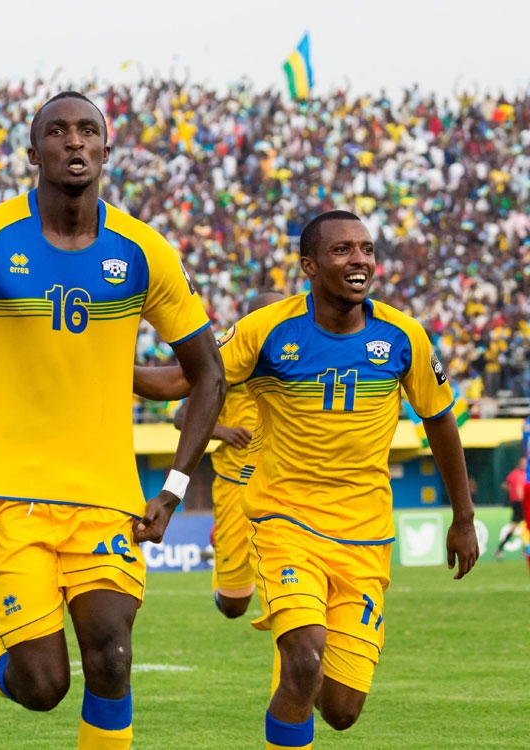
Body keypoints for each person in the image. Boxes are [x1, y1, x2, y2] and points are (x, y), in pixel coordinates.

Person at [0, 91, 225, 750]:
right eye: (59, 131)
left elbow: (206, 374)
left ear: (106, 147)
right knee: (44, 686)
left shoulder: (143, 251)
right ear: (34, 150)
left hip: (106, 498)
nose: (75, 142)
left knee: (112, 660)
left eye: (88, 131)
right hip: (4, 496)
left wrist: (176, 488)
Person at [133, 209, 479, 749]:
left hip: (366, 538)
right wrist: (108, 367)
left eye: (366, 249)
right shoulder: (267, 330)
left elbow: (440, 421)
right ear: (309, 266)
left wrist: (463, 518)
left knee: (341, 709)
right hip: (285, 522)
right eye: (342, 250)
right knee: (302, 657)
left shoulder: (404, 335)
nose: (358, 259)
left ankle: (302, 683)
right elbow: (188, 380)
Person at [172, 291, 283, 619]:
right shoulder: (226, 357)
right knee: (234, 607)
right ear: (249, 321)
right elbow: (181, 416)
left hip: (286, 483)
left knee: (289, 595)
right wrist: (223, 431)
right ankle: (222, 541)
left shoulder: (303, 355)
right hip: (235, 484)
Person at [495, 456, 527, 560]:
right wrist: (522, 499)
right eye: (524, 463)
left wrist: (510, 490)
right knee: (526, 526)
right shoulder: (519, 475)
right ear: (520, 464)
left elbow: (504, 485)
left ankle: (499, 549)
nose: (525, 465)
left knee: (514, 527)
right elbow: (518, 488)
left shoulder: (514, 473)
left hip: (515, 503)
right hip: (520, 503)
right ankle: (526, 550)